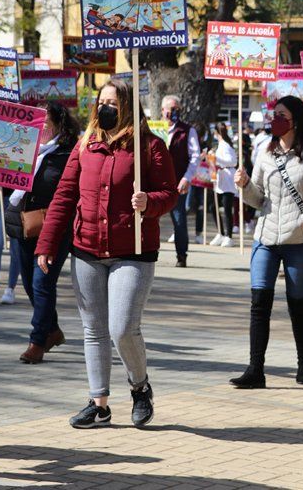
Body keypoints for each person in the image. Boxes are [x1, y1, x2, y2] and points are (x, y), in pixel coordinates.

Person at [35, 79, 178, 429]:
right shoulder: (86, 144)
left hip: (133, 251)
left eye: (113, 102)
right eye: (102, 102)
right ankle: (98, 402)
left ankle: (140, 386)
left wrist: (151, 202)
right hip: (86, 249)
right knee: (93, 329)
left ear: (128, 106)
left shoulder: (150, 146)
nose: (105, 108)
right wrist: (47, 243)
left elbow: (169, 193)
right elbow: (65, 196)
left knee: (122, 328)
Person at [230, 96, 303, 388]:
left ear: (296, 119)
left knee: (298, 303)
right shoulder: (266, 152)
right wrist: (243, 186)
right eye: (273, 114)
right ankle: (255, 369)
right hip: (266, 237)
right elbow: (258, 198)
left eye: (281, 115)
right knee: (259, 303)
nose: (274, 119)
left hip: (300, 240)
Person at [5, 101, 81, 363]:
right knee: (29, 284)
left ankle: (37, 341)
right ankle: (52, 330)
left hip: (53, 227)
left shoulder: (69, 153)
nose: (40, 128)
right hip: (22, 227)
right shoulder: (20, 148)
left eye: (45, 123)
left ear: (59, 123)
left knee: (42, 284)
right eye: (35, 123)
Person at [162, 95, 200, 267]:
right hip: (156, 183)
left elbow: (195, 157)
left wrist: (187, 178)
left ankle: (181, 255)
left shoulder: (187, 130)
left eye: (177, 108)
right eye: (171, 108)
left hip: (178, 182)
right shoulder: (154, 129)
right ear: (163, 111)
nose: (174, 112)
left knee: (179, 219)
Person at [209, 122, 238, 248]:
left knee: (226, 208)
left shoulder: (226, 145)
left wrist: (217, 159)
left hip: (227, 177)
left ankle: (229, 236)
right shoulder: (220, 145)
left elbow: (233, 161)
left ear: (216, 132)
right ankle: (221, 232)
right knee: (213, 207)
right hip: (220, 177)